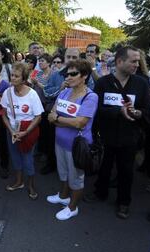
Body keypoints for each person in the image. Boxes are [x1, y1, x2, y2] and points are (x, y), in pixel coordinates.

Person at [84, 46, 150, 219]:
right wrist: (117, 112)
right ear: (120, 61)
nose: (137, 64)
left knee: (126, 171)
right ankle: (100, 192)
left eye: (138, 61)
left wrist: (138, 113)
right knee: (105, 167)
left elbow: (146, 110)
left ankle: (123, 202)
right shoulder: (103, 83)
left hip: (130, 137)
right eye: (133, 61)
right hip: (106, 136)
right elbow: (97, 109)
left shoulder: (141, 83)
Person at [46, 59, 98, 220]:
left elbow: (80, 122)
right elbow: (50, 116)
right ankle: (63, 196)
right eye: (67, 74)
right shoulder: (64, 92)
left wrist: (59, 120)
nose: (68, 77)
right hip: (60, 142)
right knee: (63, 172)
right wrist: (62, 121)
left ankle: (72, 207)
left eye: (73, 74)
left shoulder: (91, 97)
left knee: (76, 178)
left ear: (84, 76)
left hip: (77, 146)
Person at [0, 62, 43, 199]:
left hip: (27, 133)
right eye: (12, 75)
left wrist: (26, 132)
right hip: (12, 132)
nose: (12, 78)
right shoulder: (7, 92)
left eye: (16, 76)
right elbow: (4, 115)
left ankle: (31, 185)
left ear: (24, 79)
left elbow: (38, 117)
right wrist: (11, 131)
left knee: (28, 160)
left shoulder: (32, 94)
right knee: (15, 158)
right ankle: (19, 182)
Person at [41, 48, 80, 175]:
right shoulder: (56, 75)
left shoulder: (85, 75)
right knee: (51, 141)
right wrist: (60, 88)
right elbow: (46, 92)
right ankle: (52, 163)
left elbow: (90, 94)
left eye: (75, 57)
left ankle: (74, 167)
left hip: (75, 118)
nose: (71, 60)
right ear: (65, 58)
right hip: (55, 115)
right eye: (69, 57)